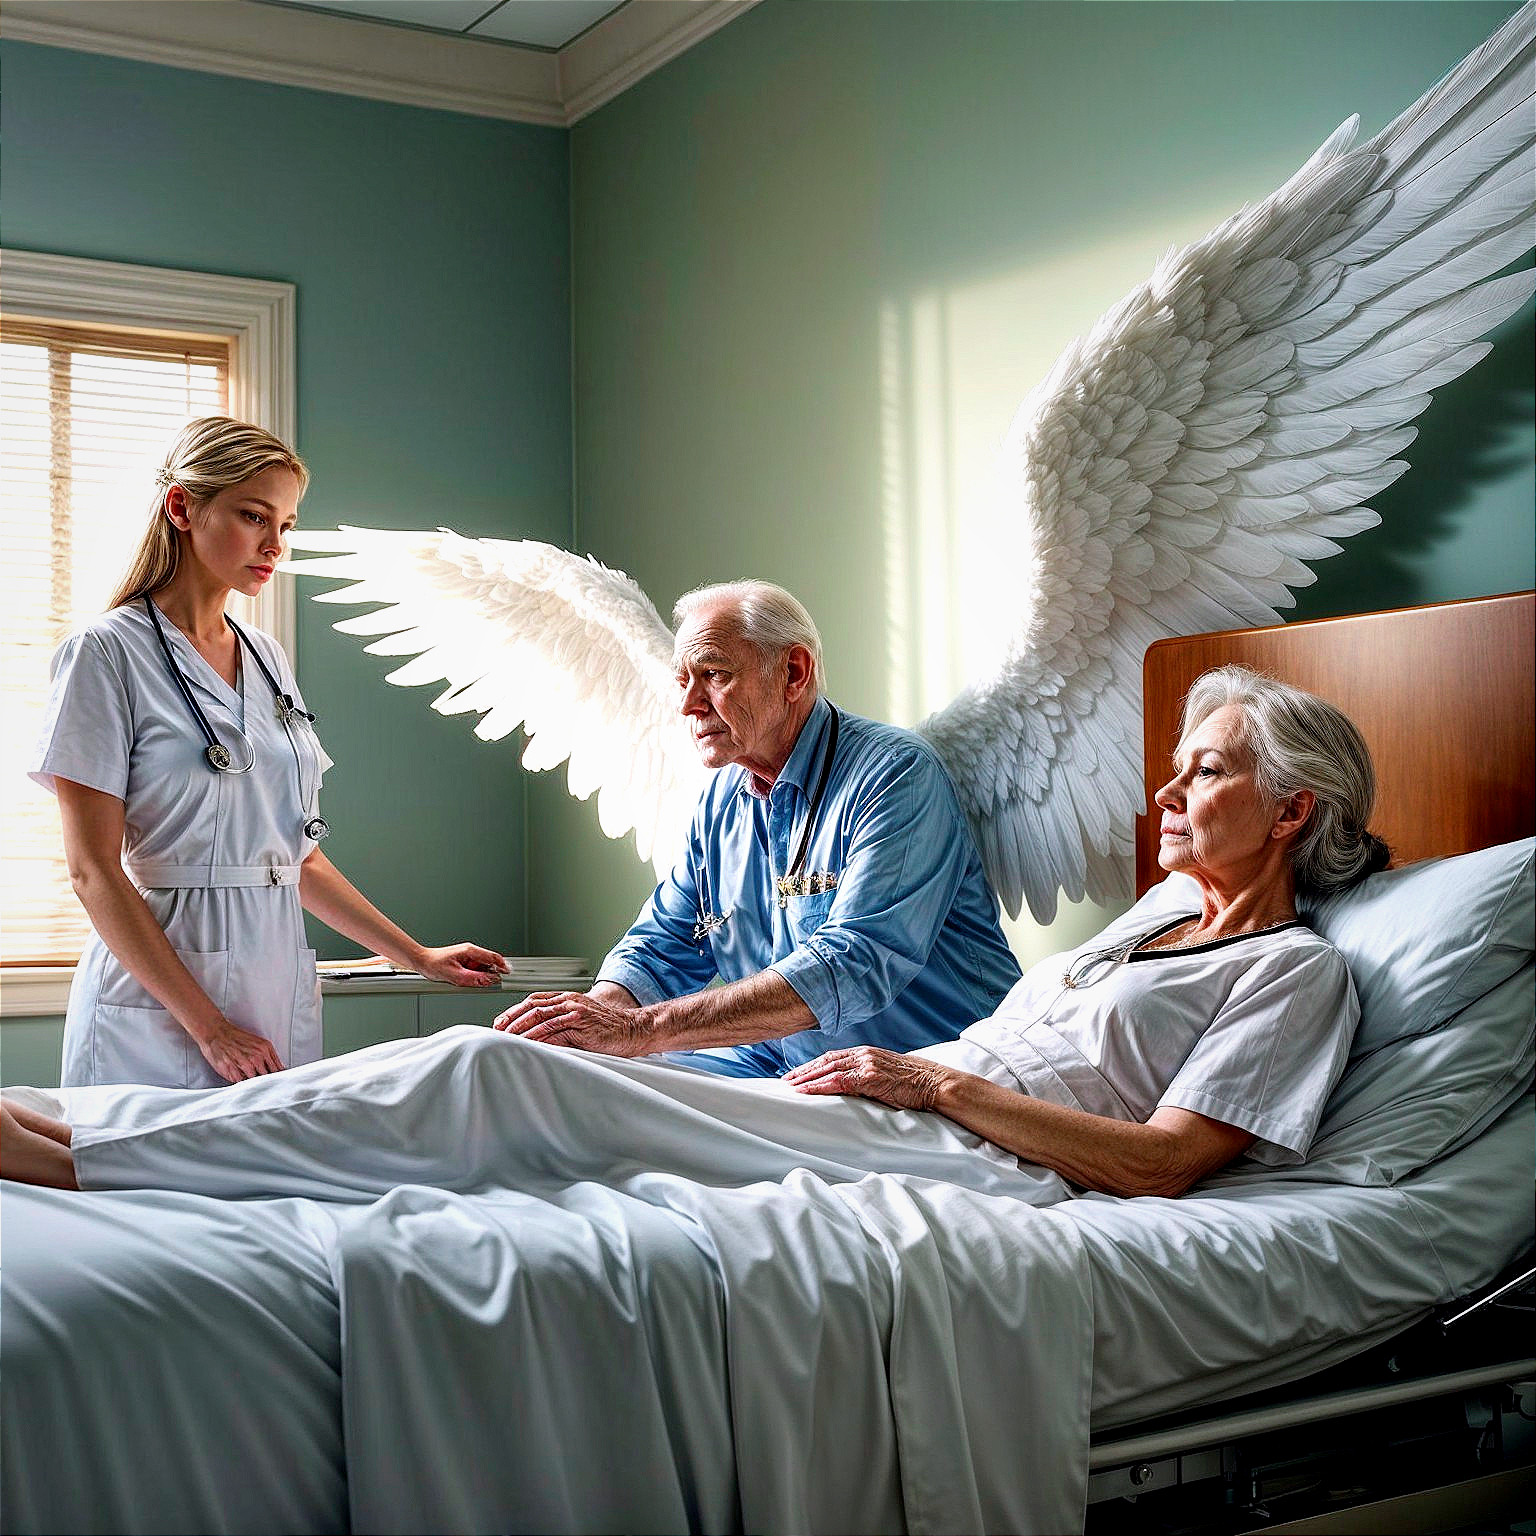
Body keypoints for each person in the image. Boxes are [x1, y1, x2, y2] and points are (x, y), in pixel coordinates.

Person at [3, 666, 1387, 1197]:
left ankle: (90, 1155)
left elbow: (1160, 1168)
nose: (1171, 784)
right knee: (521, 1067)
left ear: (1289, 812)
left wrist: (934, 1082)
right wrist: (606, 1009)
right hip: (892, 1108)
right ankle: (77, 1138)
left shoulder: (1294, 973)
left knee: (493, 1080)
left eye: (1206, 769)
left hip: (953, 1147)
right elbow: (668, 931)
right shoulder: (1139, 938)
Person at [26, 416, 506, 1090]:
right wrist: (209, 1027)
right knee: (146, 1188)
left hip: (273, 971)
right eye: (255, 517)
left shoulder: (267, 657)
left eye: (286, 525)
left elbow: (296, 856)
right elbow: (92, 871)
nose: (274, 543)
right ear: (182, 508)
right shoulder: (104, 654)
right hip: (165, 992)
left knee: (270, 1190)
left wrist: (416, 956)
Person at [490, 580, 1023, 1077]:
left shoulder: (895, 775)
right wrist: (590, 1022)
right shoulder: (720, 801)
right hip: (781, 1068)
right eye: (683, 681)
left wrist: (637, 1030)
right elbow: (665, 943)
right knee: (547, 1076)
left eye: (715, 675)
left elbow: (855, 964)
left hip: (932, 1071)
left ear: (793, 673)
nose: (687, 705)